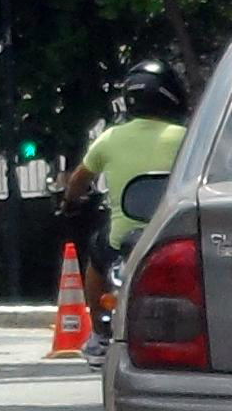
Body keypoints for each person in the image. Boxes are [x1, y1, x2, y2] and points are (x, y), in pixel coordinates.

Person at [62, 58, 190, 362]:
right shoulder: (186, 137)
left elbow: (79, 181)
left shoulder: (109, 139)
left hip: (123, 240)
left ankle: (99, 335)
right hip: (174, 232)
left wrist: (70, 201)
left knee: (96, 258)